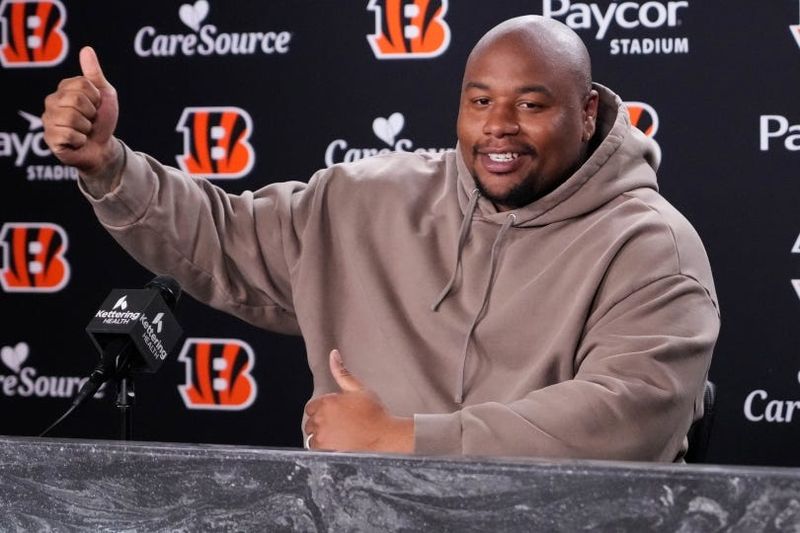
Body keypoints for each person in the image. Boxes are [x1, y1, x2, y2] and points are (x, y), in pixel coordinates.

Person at [42, 15, 719, 461]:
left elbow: (623, 418)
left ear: (589, 111)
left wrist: (403, 438)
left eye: (531, 104)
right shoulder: (368, 198)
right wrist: (111, 166)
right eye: (480, 101)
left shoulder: (653, 248)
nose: (498, 127)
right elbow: (224, 239)